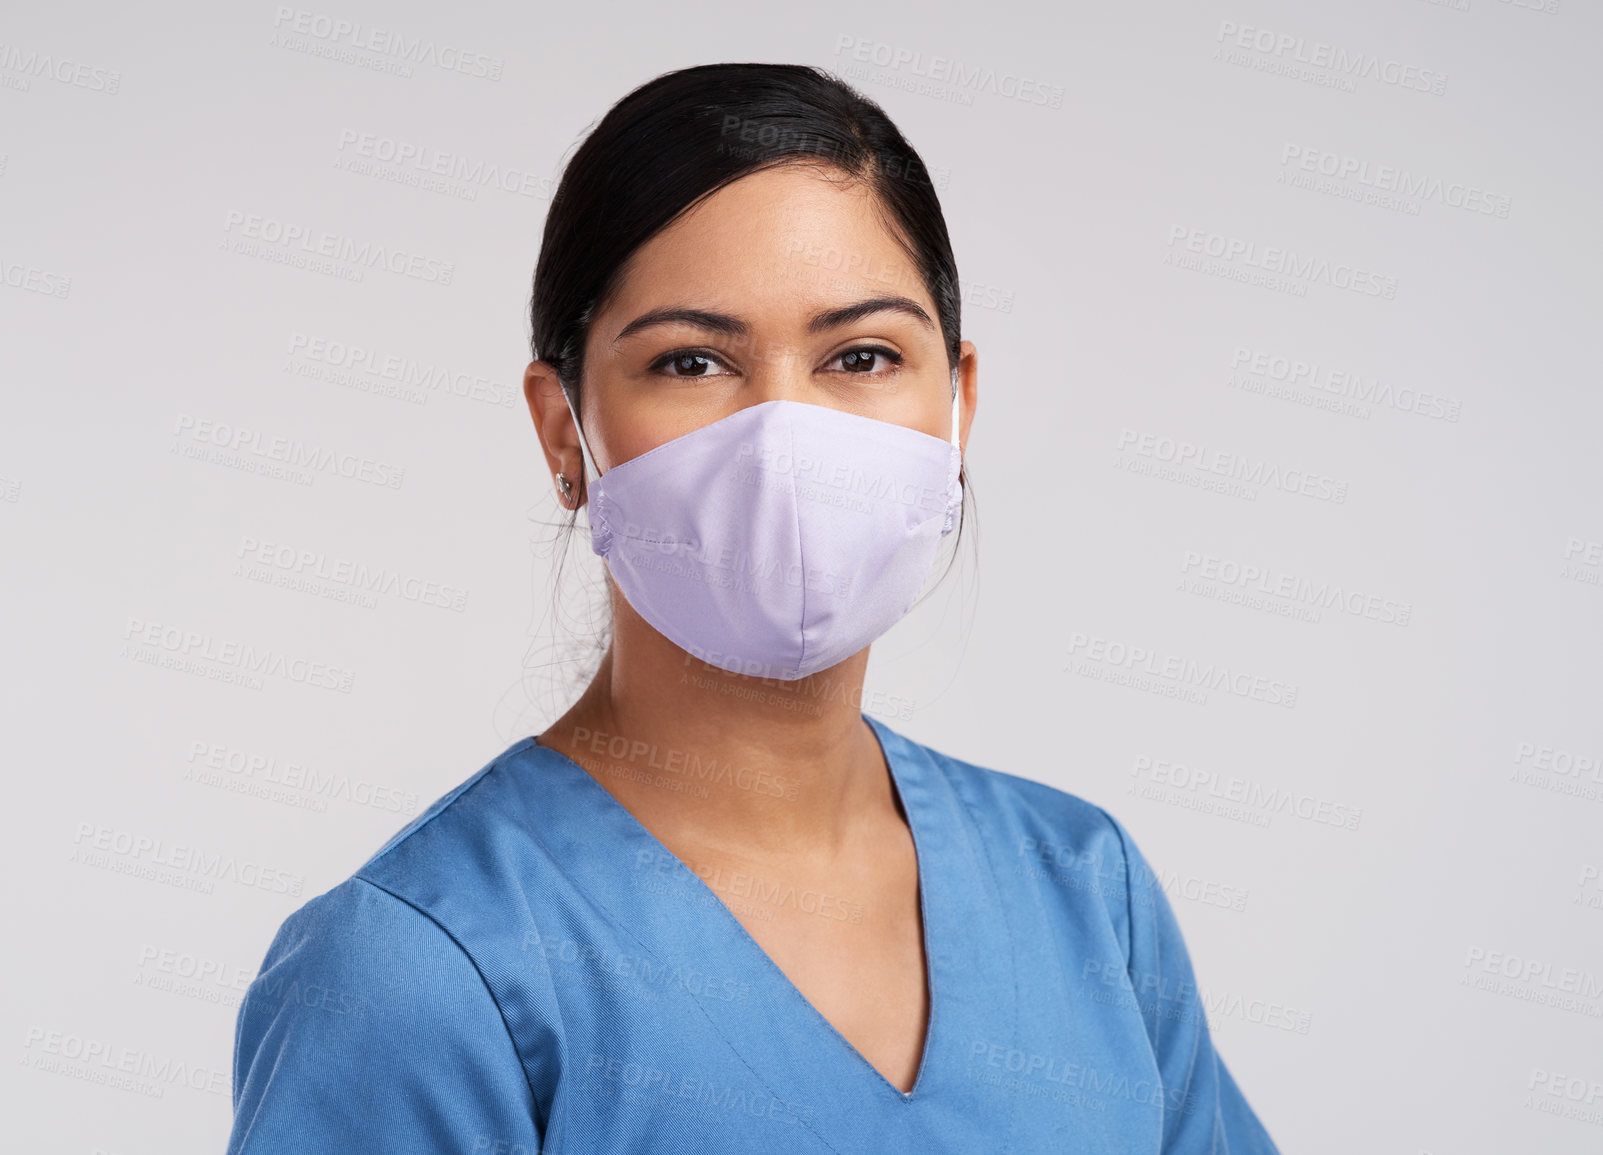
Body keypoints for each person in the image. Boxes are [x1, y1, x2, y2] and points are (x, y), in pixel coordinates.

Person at [226, 62, 1281, 1153]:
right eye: (693, 362)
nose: (788, 441)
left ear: (957, 405)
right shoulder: (422, 971)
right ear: (563, 433)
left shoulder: (1081, 892)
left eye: (862, 356)